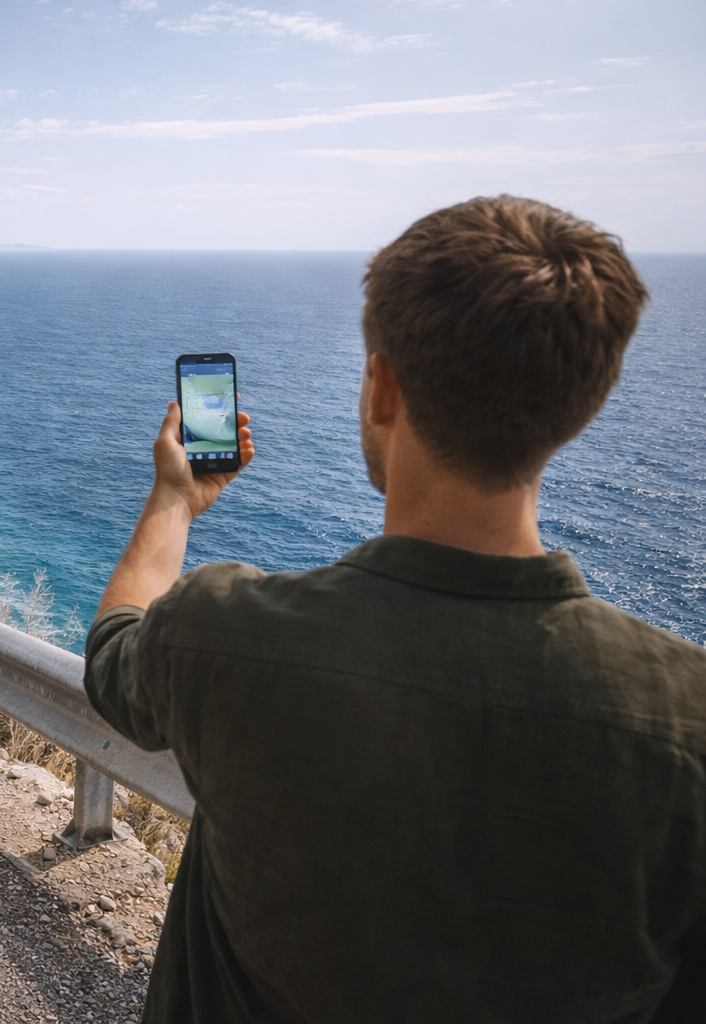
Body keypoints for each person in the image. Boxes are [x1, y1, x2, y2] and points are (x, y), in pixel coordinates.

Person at [85, 195, 706, 1023]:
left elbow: (114, 651)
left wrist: (174, 500)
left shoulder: (224, 634)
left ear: (382, 387)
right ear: (581, 407)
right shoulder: (685, 718)